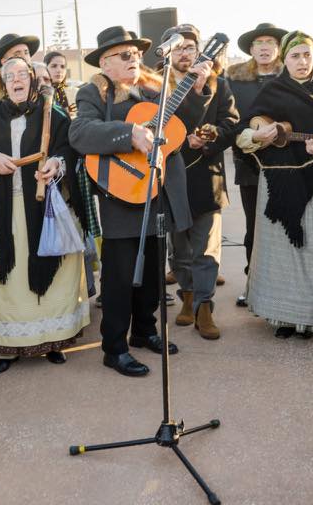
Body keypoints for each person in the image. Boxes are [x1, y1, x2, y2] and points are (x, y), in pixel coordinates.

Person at [70, 26, 205, 377]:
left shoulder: (156, 87)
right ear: (105, 62)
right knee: (120, 277)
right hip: (122, 193)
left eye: (136, 53)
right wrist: (128, 133)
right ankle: (114, 348)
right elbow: (80, 133)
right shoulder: (94, 92)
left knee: (153, 272)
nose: (134, 59)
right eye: (124, 54)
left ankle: (145, 330)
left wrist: (198, 89)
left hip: (160, 190)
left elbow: (184, 125)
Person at [235, 31, 313, 339]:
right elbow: (243, 134)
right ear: (285, 59)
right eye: (295, 56)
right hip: (281, 180)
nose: (302, 61)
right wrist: (259, 135)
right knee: (283, 254)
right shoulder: (273, 90)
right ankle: (284, 317)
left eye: (307, 54)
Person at [0, 57, 89, 373]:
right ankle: (7, 347)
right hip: (6, 211)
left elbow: (69, 149)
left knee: (54, 272)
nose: (17, 79)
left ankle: (54, 339)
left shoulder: (53, 114)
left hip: (44, 211)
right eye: (10, 76)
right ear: (3, 84)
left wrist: (57, 164)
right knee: (11, 278)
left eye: (23, 73)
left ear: (33, 79)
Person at [156, 25, 239, 339]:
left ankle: (205, 307)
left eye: (189, 47)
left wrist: (209, 137)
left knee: (206, 249)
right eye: (177, 47)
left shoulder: (219, 84)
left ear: (199, 50)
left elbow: (231, 124)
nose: (184, 53)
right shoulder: (156, 85)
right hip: (169, 179)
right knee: (179, 250)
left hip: (207, 177)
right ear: (168, 53)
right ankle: (187, 298)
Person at [227, 22, 287, 308]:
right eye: (259, 43)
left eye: (270, 42)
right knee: (254, 228)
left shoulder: (290, 77)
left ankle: (285, 287)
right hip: (249, 164)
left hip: (288, 165)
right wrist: (250, 137)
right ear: (251, 49)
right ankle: (253, 284)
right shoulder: (235, 80)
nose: (264, 47)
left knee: (286, 226)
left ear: (278, 48)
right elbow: (229, 120)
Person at [44, 50, 77, 117]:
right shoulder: (38, 93)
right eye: (54, 66)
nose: (59, 70)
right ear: (45, 68)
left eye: (62, 67)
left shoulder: (73, 93)